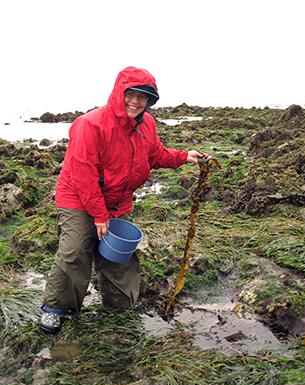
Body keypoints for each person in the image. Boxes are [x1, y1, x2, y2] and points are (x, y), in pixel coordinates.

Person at [40, 66, 203, 333]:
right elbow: (83, 174)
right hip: (78, 198)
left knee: (120, 256)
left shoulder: (146, 124)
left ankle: (121, 305)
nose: (136, 102)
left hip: (118, 201)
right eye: (132, 94)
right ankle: (57, 308)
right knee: (75, 251)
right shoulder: (90, 124)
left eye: (144, 97)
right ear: (119, 92)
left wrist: (184, 156)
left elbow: (156, 155)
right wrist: (99, 215)